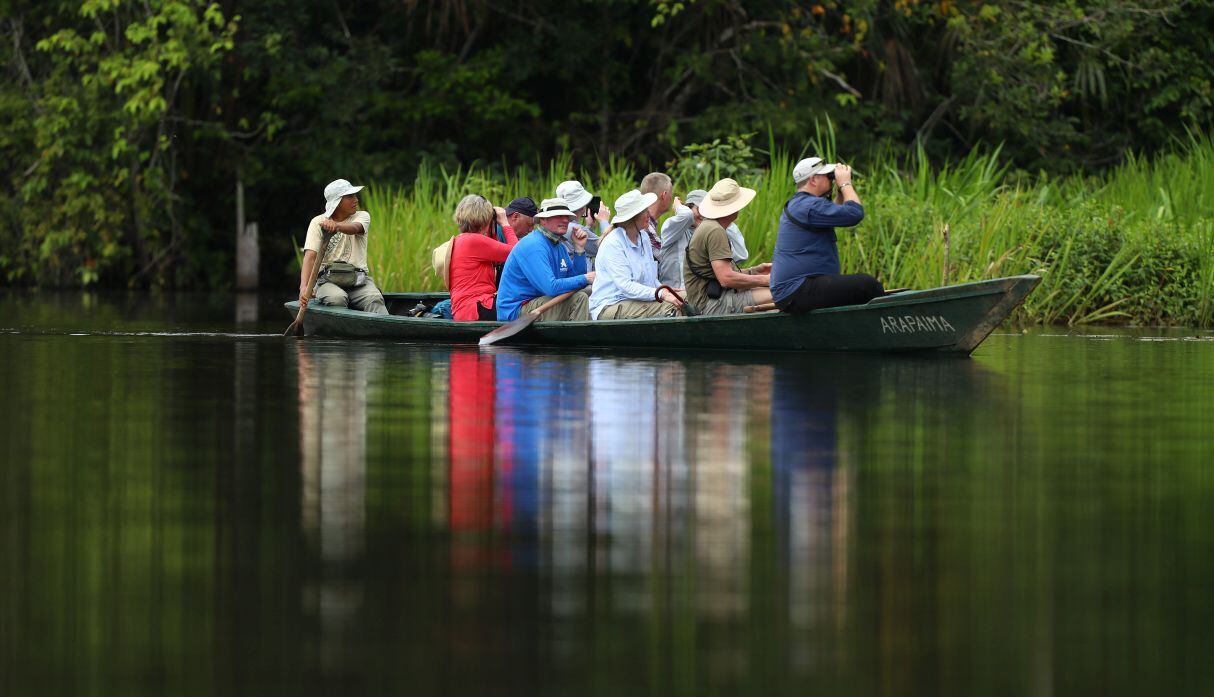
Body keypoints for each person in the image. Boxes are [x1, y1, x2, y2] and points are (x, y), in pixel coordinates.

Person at [770, 157, 883, 313]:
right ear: (814, 180)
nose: (832, 180)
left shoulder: (802, 203)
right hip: (797, 289)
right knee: (867, 285)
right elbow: (854, 213)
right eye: (828, 176)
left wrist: (840, 193)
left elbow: (835, 214)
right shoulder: (808, 205)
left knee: (857, 287)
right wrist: (845, 184)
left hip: (796, 289)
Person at [496, 198, 596, 322]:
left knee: (583, 293)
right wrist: (586, 278)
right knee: (579, 298)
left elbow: (575, 280)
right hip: (516, 311)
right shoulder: (534, 245)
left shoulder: (559, 246)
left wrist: (579, 249)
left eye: (567, 217)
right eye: (559, 216)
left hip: (541, 303)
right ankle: (579, 340)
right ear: (543, 220)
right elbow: (551, 288)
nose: (565, 220)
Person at [589, 190, 684, 320]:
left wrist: (663, 289)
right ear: (633, 218)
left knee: (685, 298)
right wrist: (661, 294)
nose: (649, 215)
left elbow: (650, 278)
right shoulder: (613, 243)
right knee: (671, 307)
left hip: (635, 301)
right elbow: (626, 286)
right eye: (644, 212)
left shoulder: (643, 236)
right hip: (610, 305)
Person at [682, 178, 773, 315]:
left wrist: (754, 271)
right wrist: (766, 280)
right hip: (711, 304)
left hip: (712, 297)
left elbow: (719, 274)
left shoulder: (710, 226)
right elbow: (726, 279)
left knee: (775, 289)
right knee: (781, 292)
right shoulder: (715, 231)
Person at [298, 178, 388, 315]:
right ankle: (341, 331)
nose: (356, 200)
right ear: (337, 201)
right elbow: (310, 257)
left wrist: (337, 226)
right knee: (337, 298)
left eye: (355, 196)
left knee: (374, 299)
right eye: (350, 196)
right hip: (328, 282)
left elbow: (356, 228)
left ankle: (384, 332)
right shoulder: (318, 222)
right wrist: (303, 288)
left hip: (359, 281)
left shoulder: (362, 216)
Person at [657, 188, 750, 288]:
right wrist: (678, 206)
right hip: (674, 292)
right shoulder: (672, 227)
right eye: (700, 209)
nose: (703, 215)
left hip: (700, 295)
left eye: (707, 211)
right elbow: (686, 216)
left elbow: (741, 255)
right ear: (689, 207)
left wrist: (724, 217)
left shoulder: (710, 232)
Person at [448, 195, 519, 321]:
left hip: (466, 310)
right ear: (486, 219)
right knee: (523, 299)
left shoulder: (461, 240)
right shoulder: (474, 241)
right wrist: (505, 223)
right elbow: (518, 253)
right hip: (478, 308)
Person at [556, 180, 611, 260]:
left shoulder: (560, 225)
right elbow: (608, 249)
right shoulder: (574, 229)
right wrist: (604, 221)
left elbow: (585, 245)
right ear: (582, 206)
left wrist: (589, 227)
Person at [638, 172, 674, 260]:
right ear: (664, 195)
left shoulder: (642, 221)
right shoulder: (645, 225)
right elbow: (664, 260)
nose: (672, 197)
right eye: (671, 193)